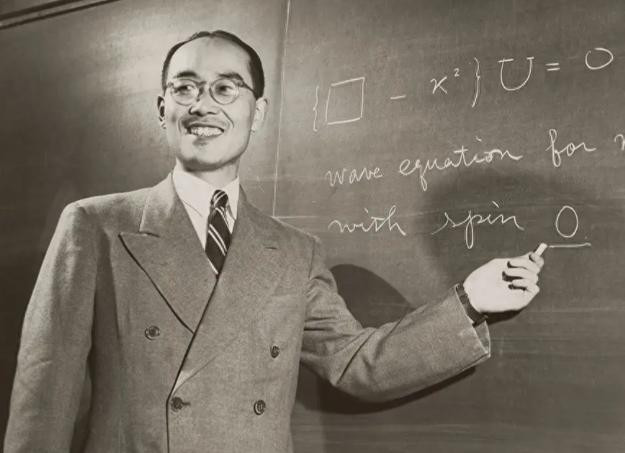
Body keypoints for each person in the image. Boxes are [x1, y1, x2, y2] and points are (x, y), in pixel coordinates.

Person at [4, 30, 544, 453]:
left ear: (256, 112)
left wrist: (470, 301)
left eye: (225, 88)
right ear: (162, 108)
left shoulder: (293, 251)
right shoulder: (96, 225)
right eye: (184, 87)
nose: (202, 104)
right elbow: (43, 395)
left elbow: (356, 363)